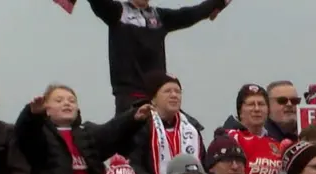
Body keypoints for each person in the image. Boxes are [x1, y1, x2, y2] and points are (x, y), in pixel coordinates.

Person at [84, 0, 230, 114]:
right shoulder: (116, 12)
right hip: (128, 97)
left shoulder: (160, 17)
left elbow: (192, 14)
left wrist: (218, 3)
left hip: (157, 96)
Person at [15, 84, 149, 174]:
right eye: (59, 100)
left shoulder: (87, 132)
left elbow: (111, 131)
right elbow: (25, 134)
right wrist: (32, 114)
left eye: (72, 101)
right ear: (46, 109)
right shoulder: (40, 134)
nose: (67, 103)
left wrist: (133, 117)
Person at [127, 73, 205, 174]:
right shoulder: (141, 126)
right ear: (153, 99)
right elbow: (135, 165)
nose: (174, 95)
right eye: (167, 91)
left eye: (178, 92)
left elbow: (203, 167)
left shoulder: (192, 129)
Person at [223, 84, 282, 174]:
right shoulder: (230, 138)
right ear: (240, 111)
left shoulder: (277, 144)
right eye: (251, 104)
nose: (256, 109)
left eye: (261, 104)